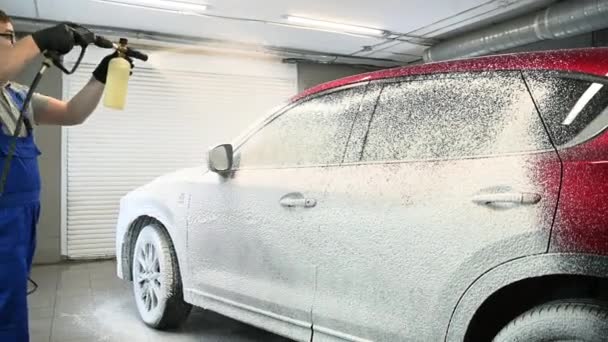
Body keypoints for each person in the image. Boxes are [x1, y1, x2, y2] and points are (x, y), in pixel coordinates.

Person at [0, 10, 133, 342]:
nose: (15, 43)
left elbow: (73, 113)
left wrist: (101, 76)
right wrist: (42, 39)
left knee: (11, 299)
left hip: (21, 220)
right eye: (7, 37)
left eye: (16, 36)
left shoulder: (16, 94)